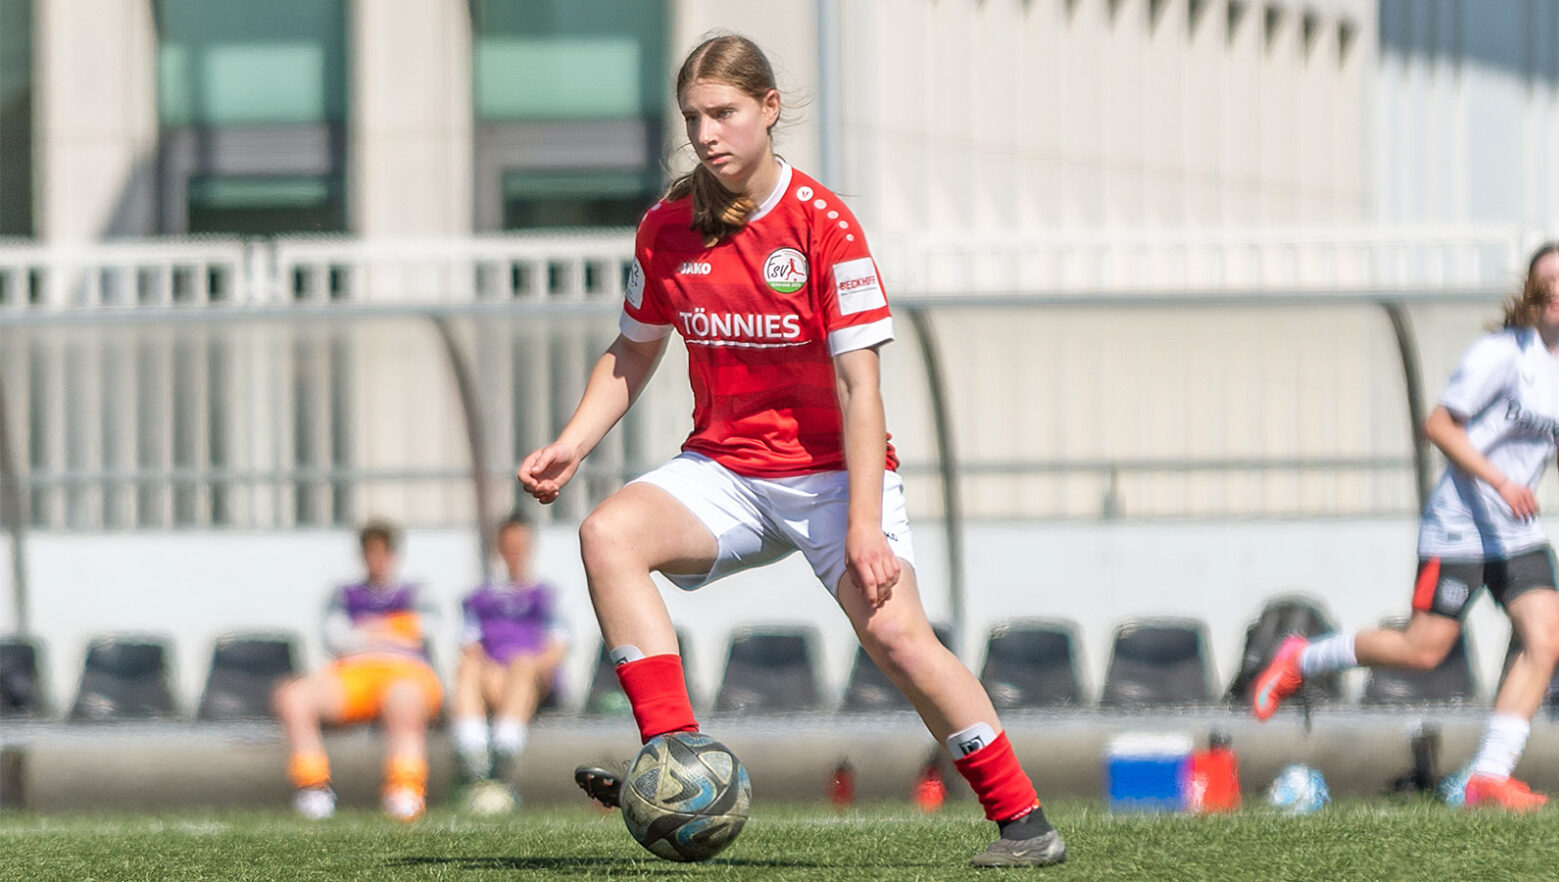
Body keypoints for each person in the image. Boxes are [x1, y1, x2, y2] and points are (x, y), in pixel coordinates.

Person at [517, 33, 1064, 868]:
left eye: (724, 113)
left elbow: (861, 388)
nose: (706, 133)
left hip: (835, 480)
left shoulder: (824, 227)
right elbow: (632, 351)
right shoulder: (665, 229)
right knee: (607, 535)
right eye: (693, 117)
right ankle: (675, 761)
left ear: (769, 110)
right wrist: (570, 442)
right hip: (726, 471)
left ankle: (1023, 821)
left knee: (900, 642)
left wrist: (865, 524)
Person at [1254, 241, 1559, 812]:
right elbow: (1440, 425)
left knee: (1548, 638)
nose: (1556, 290)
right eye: (1546, 280)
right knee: (1424, 650)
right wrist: (1500, 482)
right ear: (1529, 290)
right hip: (1462, 525)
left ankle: (1488, 776)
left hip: (1517, 534)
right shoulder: (1500, 354)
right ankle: (1301, 657)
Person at [273, 520, 443, 821]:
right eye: (370, 552)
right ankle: (313, 787)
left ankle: (405, 788)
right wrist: (393, 628)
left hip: (406, 671)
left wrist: (366, 630)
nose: (376, 559)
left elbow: (424, 630)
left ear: (393, 555)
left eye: (382, 552)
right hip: (354, 674)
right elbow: (335, 638)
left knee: (403, 700)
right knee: (293, 696)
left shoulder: (416, 592)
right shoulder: (344, 594)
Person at [449, 512, 569, 812]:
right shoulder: (480, 599)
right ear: (500, 549)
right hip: (492, 678)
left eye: (521, 545)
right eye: (509, 545)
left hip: (532, 679)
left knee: (522, 664)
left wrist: (522, 669)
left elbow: (556, 649)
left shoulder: (545, 597)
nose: (515, 552)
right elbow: (469, 647)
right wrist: (493, 672)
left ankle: (502, 756)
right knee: (468, 668)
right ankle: (475, 754)